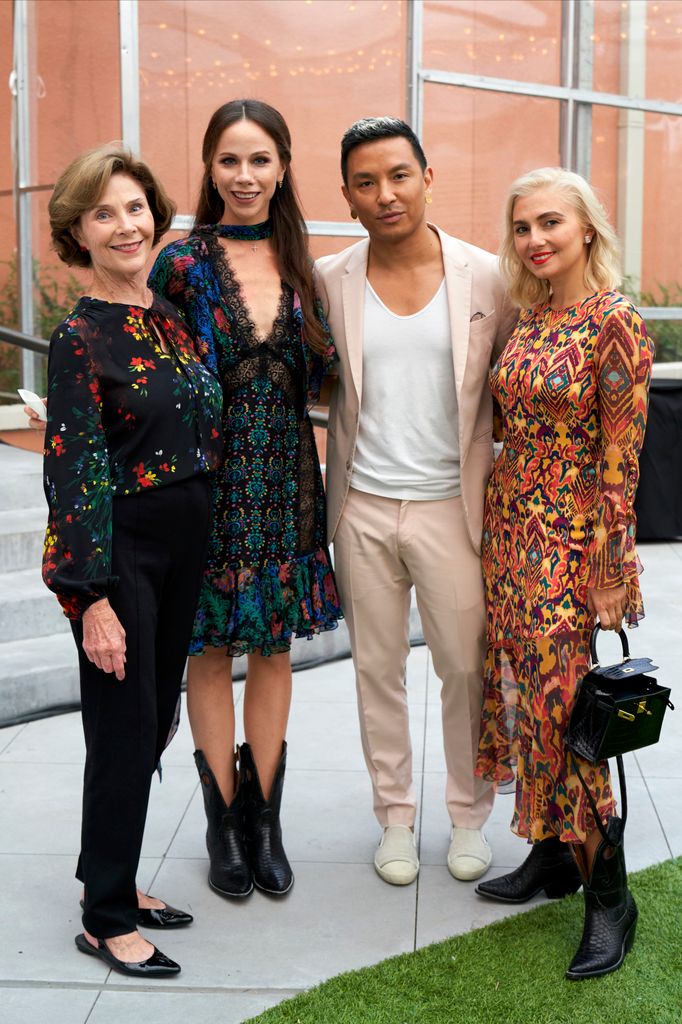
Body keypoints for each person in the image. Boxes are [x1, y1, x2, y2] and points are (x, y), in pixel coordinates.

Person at [314, 117, 517, 886]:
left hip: (452, 508)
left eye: (399, 175)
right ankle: (395, 817)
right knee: (377, 669)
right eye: (365, 182)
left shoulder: (488, 277)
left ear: (428, 177)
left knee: (465, 669)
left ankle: (468, 815)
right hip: (362, 503)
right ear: (347, 195)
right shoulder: (330, 279)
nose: (384, 194)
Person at [149, 100, 342, 899]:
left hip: (288, 484)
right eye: (229, 160)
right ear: (209, 167)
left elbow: (326, 377)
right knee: (209, 648)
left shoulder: (306, 264)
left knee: (272, 648)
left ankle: (265, 819)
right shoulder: (181, 264)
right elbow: (152, 374)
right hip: (210, 486)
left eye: (260, 159)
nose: (245, 176)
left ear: (284, 166)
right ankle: (223, 819)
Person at [42, 145, 223, 976]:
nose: (126, 224)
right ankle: (105, 914)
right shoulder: (79, 337)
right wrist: (92, 600)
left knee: (149, 723)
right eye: (104, 212)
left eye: (136, 207)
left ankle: (104, 872)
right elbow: (74, 470)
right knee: (121, 733)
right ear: (78, 231)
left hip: (184, 546)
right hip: (124, 553)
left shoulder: (171, 317)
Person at [474, 167, 654, 980]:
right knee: (521, 696)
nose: (535, 239)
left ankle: (610, 898)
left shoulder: (615, 322)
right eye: (521, 228)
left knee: (566, 716)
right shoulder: (535, 315)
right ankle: (550, 853)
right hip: (510, 533)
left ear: (587, 229)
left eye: (550, 223)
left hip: (569, 543)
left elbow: (624, 457)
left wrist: (612, 566)